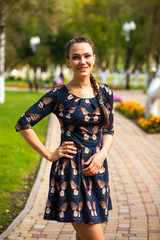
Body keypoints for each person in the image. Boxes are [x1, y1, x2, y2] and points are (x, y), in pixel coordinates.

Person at [15, 37, 114, 240]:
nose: (82, 61)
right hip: (71, 172)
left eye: (87, 56)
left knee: (85, 234)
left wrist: (101, 155)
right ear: (68, 62)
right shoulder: (58, 95)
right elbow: (23, 123)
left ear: (94, 58)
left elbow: (108, 130)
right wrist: (50, 154)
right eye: (76, 57)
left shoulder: (105, 92)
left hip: (97, 170)